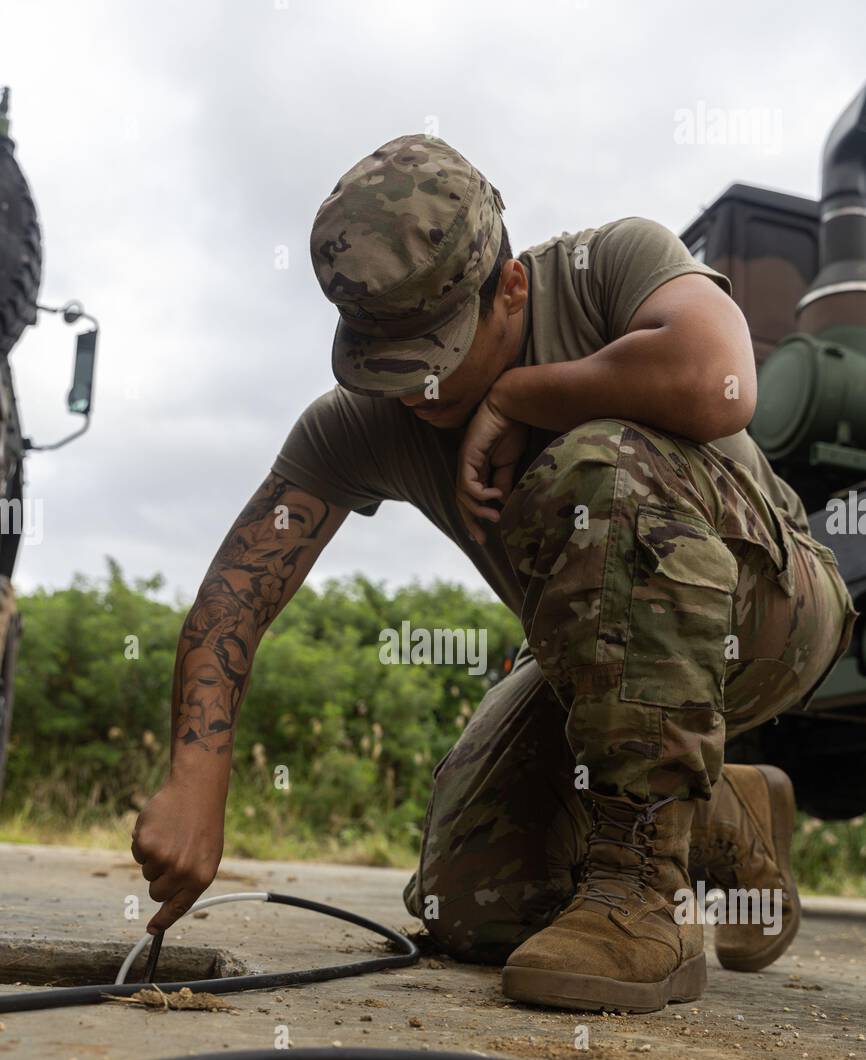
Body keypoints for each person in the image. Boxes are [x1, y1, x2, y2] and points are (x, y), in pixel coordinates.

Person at [132, 135, 856, 1014]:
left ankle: (638, 904)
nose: (416, 396)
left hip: (775, 610)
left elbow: (722, 381)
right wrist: (196, 781)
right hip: (608, 666)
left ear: (511, 289)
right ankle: (723, 817)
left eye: (435, 357)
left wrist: (522, 397)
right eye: (385, 365)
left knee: (596, 465)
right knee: (471, 907)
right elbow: (238, 588)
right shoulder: (367, 422)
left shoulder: (609, 265)